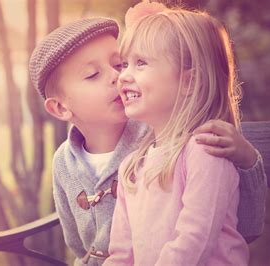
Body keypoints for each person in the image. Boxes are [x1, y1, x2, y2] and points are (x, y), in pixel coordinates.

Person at [28, 15, 266, 266]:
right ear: (60, 108)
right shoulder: (73, 163)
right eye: (93, 74)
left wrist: (248, 160)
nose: (118, 77)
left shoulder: (162, 135)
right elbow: (79, 243)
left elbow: (240, 225)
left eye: (120, 65)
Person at [105, 2, 258, 265]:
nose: (124, 76)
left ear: (189, 81)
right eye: (124, 64)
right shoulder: (131, 166)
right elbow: (121, 254)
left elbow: (193, 244)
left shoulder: (205, 152)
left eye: (140, 63)